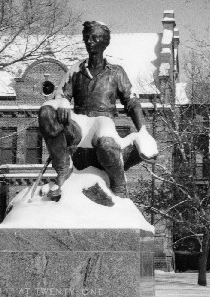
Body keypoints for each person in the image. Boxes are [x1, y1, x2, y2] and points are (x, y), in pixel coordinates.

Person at [38, 20, 156, 199]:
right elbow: (61, 94)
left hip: (102, 123)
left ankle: (118, 185)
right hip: (79, 125)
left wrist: (143, 130)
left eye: (94, 37)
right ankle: (63, 168)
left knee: (106, 143)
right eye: (86, 38)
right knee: (47, 112)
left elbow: (131, 102)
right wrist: (62, 103)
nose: (89, 41)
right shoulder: (76, 70)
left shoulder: (116, 72)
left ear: (104, 42)